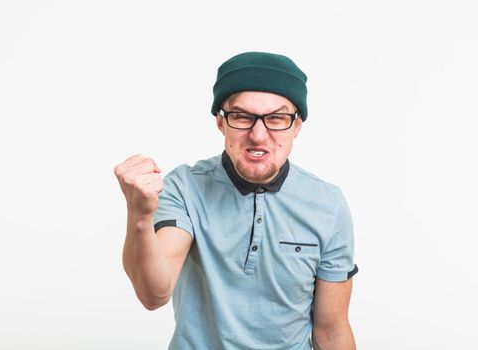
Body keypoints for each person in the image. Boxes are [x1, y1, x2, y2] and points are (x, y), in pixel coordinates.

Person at [114, 51, 359, 350]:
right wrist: (138, 217)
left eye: (277, 118)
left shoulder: (328, 205)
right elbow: (155, 293)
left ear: (297, 126)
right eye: (242, 116)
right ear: (221, 122)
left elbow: (332, 330)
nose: (258, 135)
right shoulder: (185, 187)